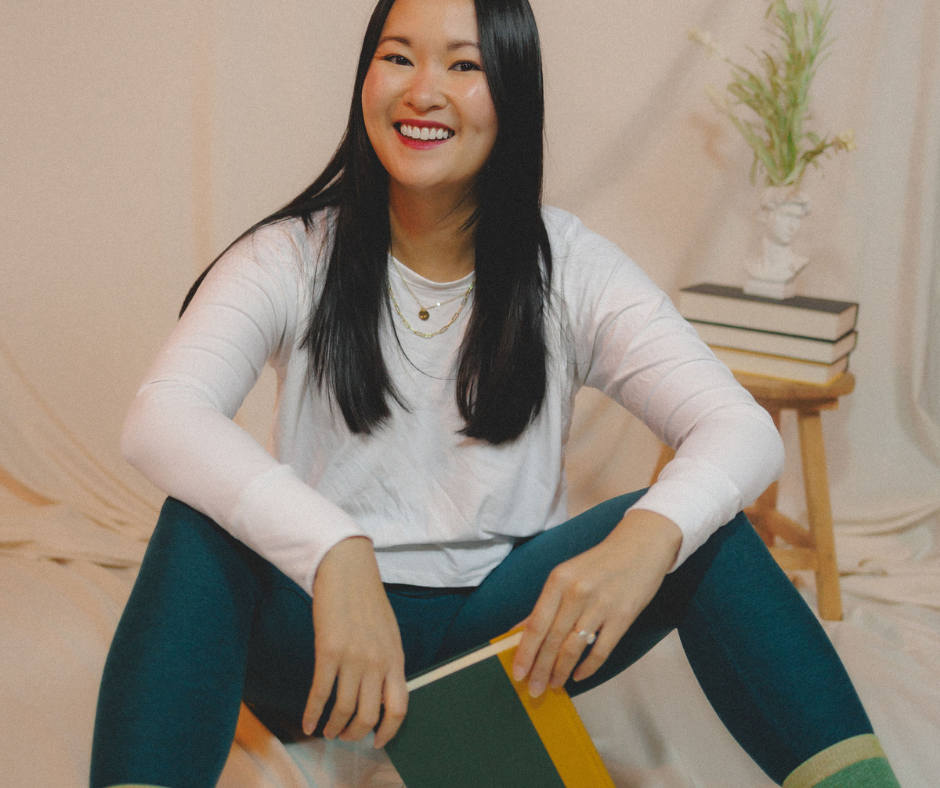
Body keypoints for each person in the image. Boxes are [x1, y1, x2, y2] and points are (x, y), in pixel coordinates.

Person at [90, 0, 900, 786]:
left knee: (704, 529)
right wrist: (335, 550)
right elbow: (162, 415)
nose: (423, 90)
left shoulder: (570, 266)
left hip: (505, 643)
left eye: (463, 65)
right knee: (197, 518)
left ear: (512, 91)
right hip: (320, 646)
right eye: (398, 57)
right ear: (366, 78)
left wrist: (649, 534)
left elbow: (739, 427)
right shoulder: (288, 255)